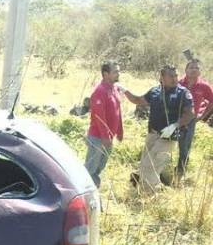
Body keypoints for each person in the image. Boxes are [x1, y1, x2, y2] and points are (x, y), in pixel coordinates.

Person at [119, 65, 195, 193]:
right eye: (171, 76)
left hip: (168, 137)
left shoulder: (183, 93)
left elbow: (190, 114)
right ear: (162, 77)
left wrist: (175, 125)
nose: (174, 78)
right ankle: (144, 188)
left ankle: (150, 195)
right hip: (153, 134)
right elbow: (138, 100)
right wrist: (125, 91)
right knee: (144, 164)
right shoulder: (155, 91)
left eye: (176, 75)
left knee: (151, 167)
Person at [84, 62, 123, 187]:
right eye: (115, 72)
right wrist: (105, 137)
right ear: (106, 74)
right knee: (90, 169)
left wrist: (120, 131)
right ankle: (84, 191)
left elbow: (118, 111)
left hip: (109, 138)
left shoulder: (115, 88)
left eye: (118, 71)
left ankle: (93, 189)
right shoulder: (99, 91)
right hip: (98, 137)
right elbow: (99, 117)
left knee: (99, 167)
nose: (118, 74)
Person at [177, 59, 213, 177]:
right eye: (191, 67)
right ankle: (159, 168)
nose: (194, 70)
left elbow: (211, 101)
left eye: (196, 68)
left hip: (190, 121)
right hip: (174, 118)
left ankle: (180, 171)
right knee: (166, 142)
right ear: (185, 70)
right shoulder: (178, 83)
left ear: (200, 72)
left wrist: (202, 116)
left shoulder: (204, 86)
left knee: (185, 146)